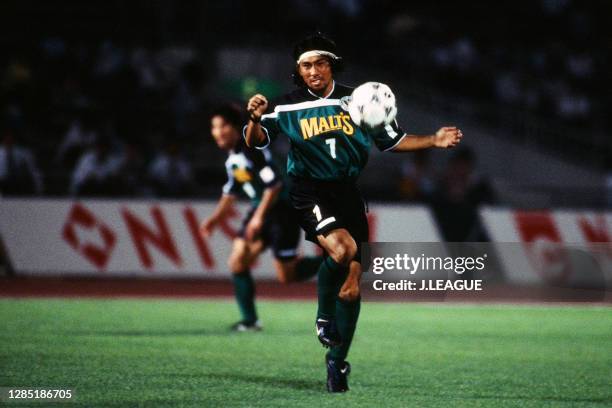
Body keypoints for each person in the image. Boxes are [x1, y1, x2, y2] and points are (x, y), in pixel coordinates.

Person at [244, 33, 463, 392]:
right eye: (306, 65)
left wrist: (433, 140)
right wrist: (253, 118)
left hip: (348, 193)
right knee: (343, 251)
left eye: (320, 63)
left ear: (332, 65)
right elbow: (255, 141)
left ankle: (337, 363)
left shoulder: (360, 98)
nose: (313, 71)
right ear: (298, 71)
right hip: (307, 191)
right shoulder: (284, 106)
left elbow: (391, 140)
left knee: (352, 288)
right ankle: (323, 316)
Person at [201, 104, 323, 331]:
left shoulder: (252, 150)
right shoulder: (234, 158)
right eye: (213, 127)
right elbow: (231, 192)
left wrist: (258, 219)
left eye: (221, 126)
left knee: (287, 276)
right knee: (238, 262)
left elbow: (274, 186)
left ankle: (335, 260)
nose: (216, 132)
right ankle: (250, 321)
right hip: (263, 211)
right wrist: (215, 219)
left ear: (235, 128)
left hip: (282, 212)